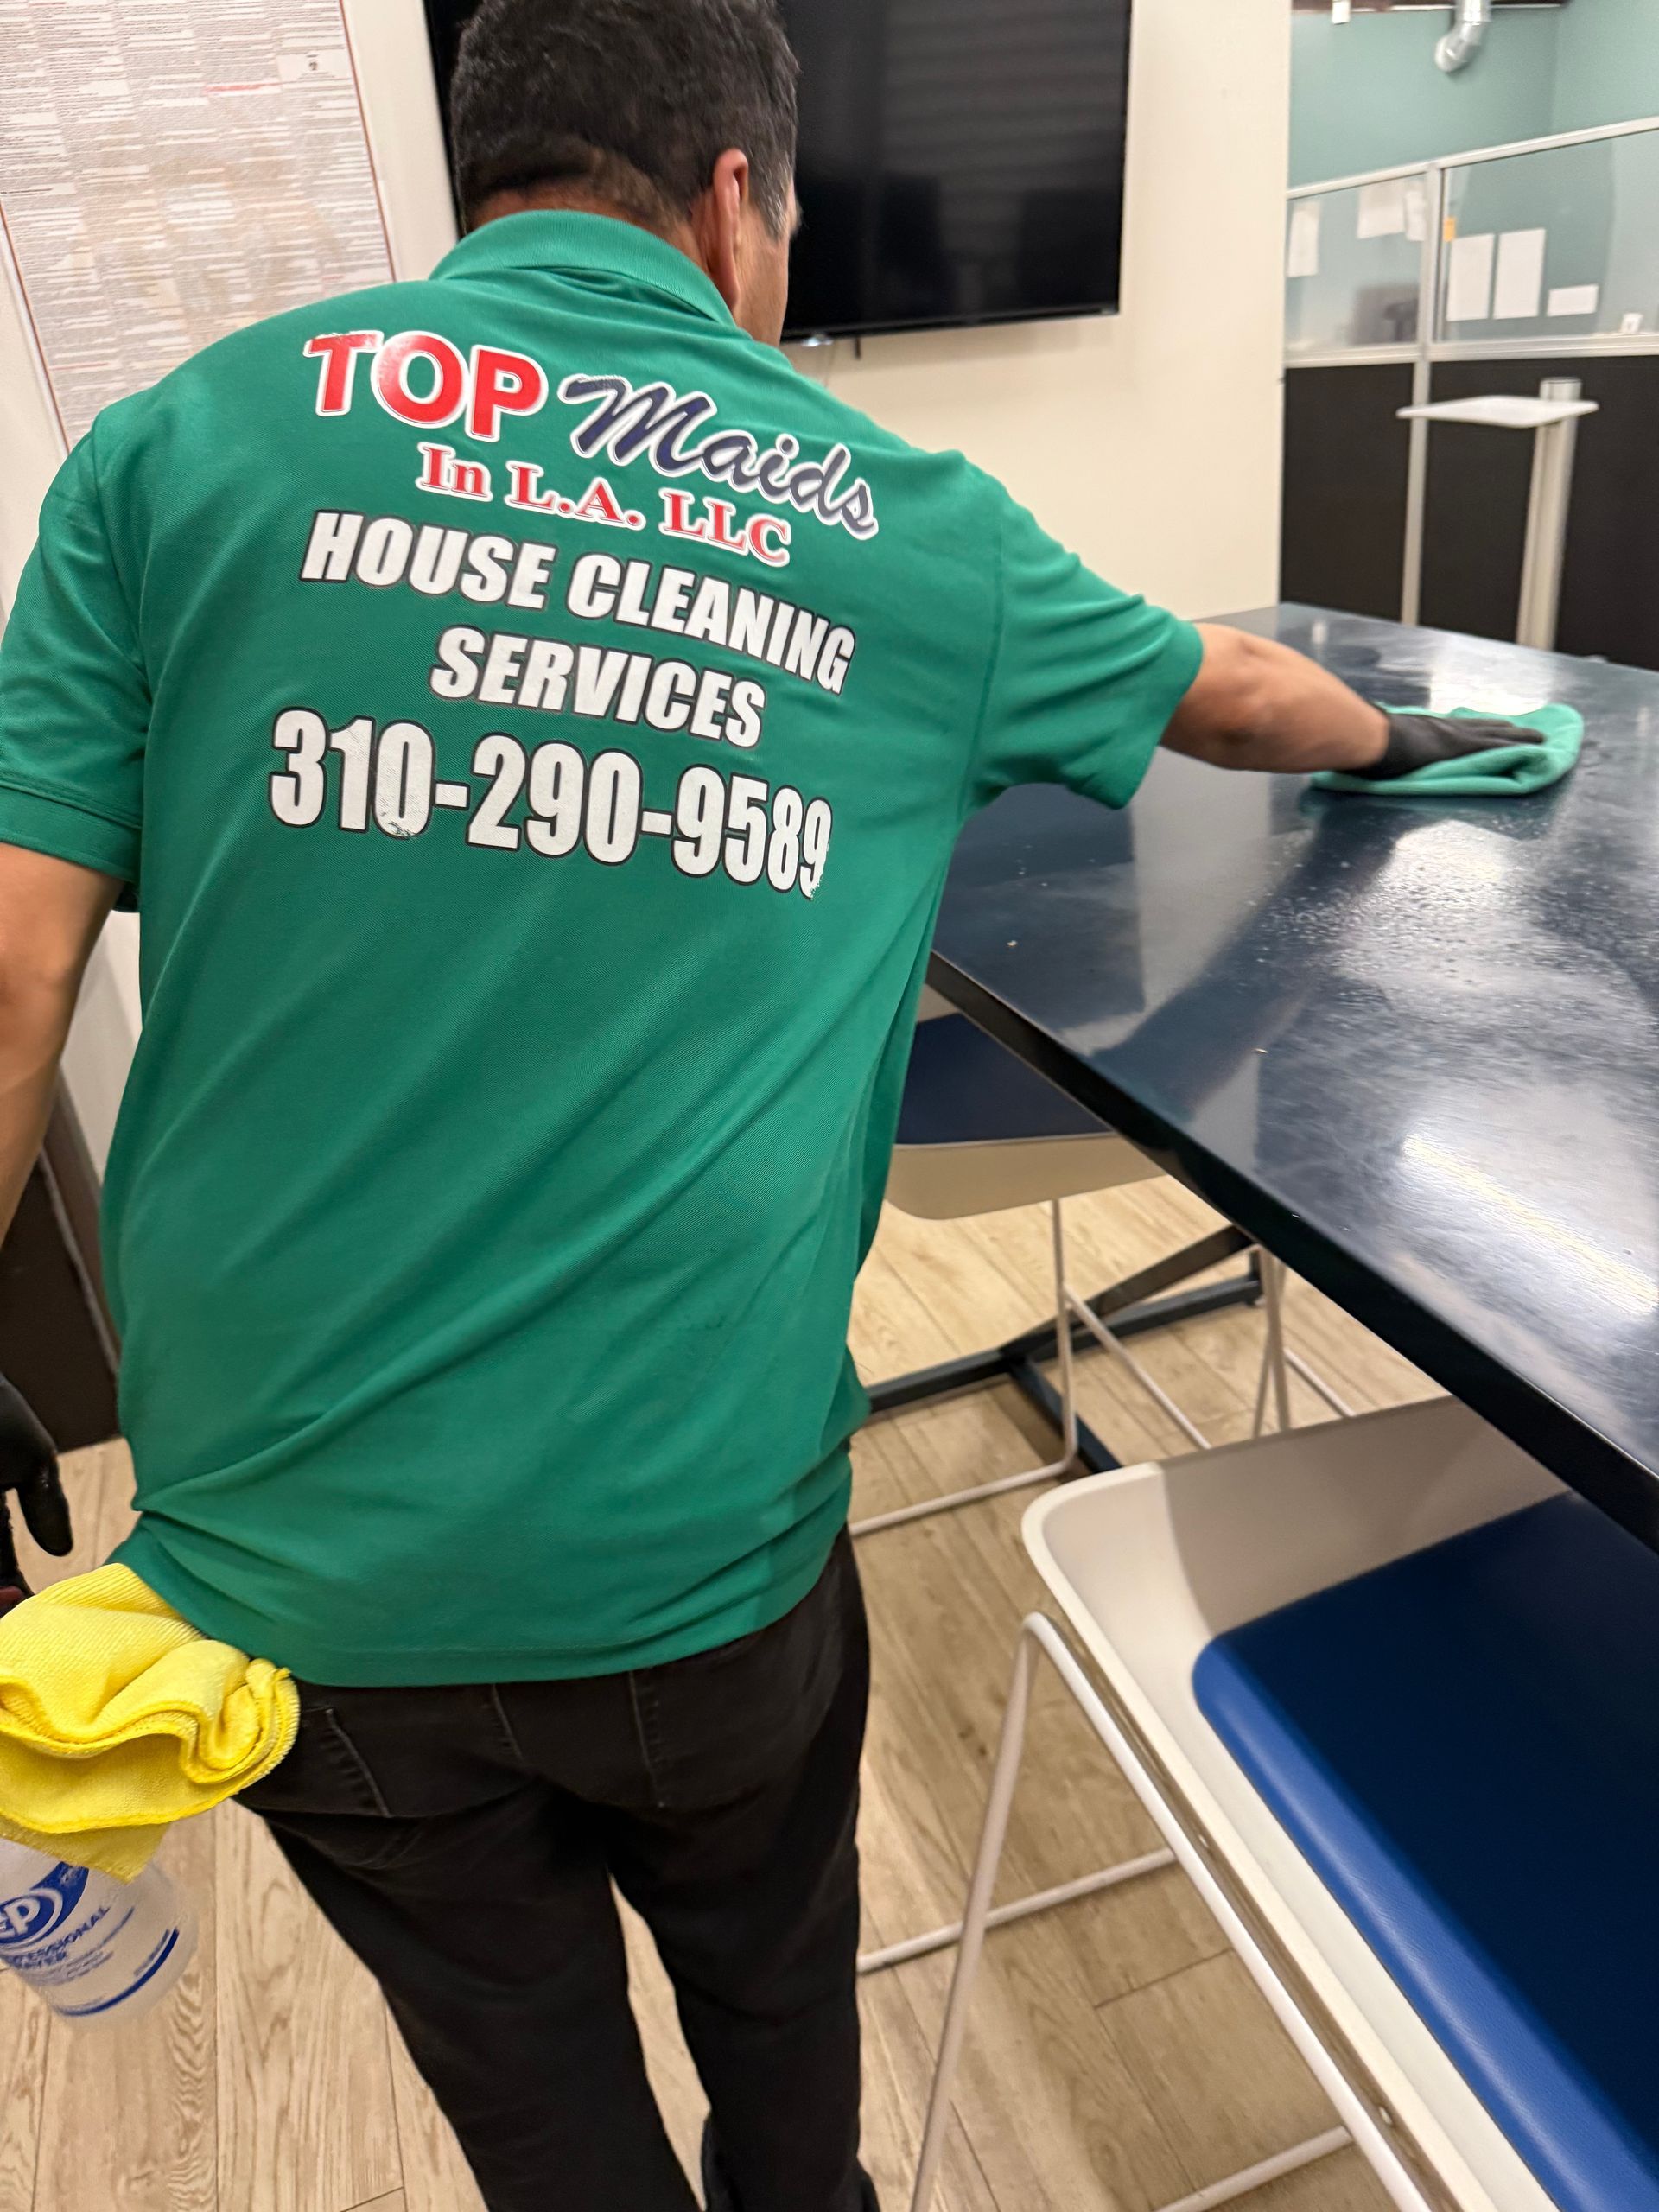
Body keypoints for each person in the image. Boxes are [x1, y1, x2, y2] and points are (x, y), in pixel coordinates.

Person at [0, 1, 1503, 2205]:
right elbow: (1245, 695)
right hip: (693, 1561)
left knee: (537, 2111)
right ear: (733, 200)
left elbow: (21, 961)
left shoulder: (181, 444)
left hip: (286, 1588)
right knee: (782, 2019)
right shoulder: (902, 519)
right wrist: (1408, 742)